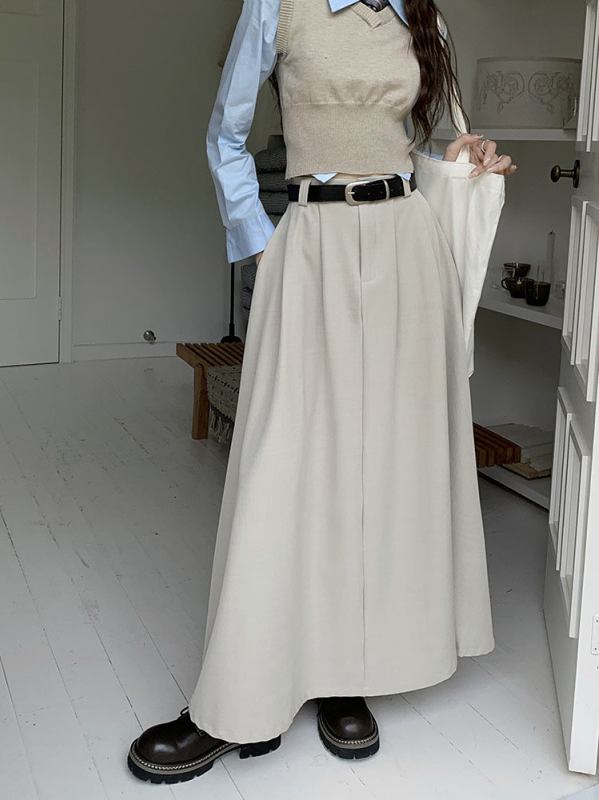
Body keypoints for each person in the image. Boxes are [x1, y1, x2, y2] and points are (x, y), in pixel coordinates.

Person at [127, 0, 517, 785]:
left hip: (407, 248)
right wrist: (262, 246)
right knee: (280, 463)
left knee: (383, 468)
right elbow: (225, 134)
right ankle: (235, 700)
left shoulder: (422, 15)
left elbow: (416, 144)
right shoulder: (277, 6)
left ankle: (346, 676)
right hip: (310, 247)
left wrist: (457, 156)